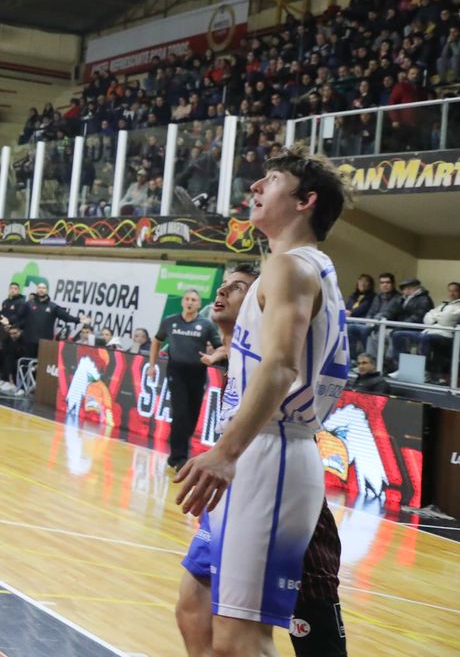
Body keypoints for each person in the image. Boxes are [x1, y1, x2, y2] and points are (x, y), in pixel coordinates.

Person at [174, 146, 349, 657]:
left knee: (240, 640)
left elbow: (281, 366)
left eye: (270, 180)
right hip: (266, 448)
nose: (255, 187)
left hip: (271, 450)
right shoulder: (300, 268)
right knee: (197, 610)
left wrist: (225, 452)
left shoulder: (291, 267)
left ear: (305, 201)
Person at [146, 288, 220, 470]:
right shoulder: (170, 321)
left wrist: (212, 355)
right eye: (187, 299)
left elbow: (220, 347)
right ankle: (179, 458)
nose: (190, 302)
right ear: (182, 301)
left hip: (197, 373)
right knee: (180, 413)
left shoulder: (206, 325)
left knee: (192, 416)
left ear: (199, 304)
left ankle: (175, 454)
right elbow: (156, 341)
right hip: (176, 372)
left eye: (194, 300)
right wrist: (152, 365)